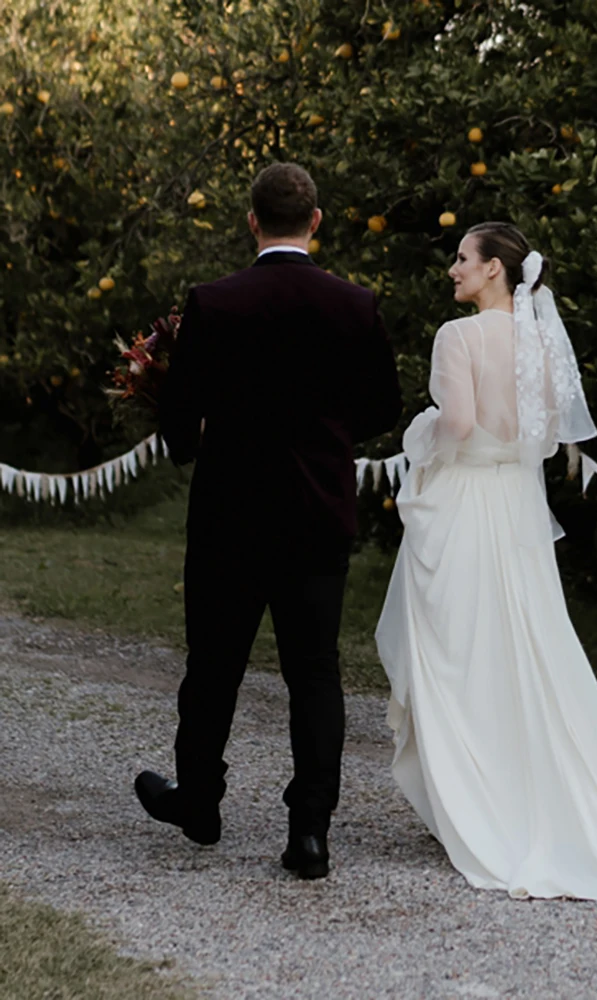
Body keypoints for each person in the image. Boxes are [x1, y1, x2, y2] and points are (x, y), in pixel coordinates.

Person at [375, 222, 597, 902]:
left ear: (492, 272)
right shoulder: (539, 339)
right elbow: (541, 438)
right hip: (514, 503)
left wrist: (419, 433)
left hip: (465, 502)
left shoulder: (459, 337)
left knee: (461, 647)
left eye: (461, 259)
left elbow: (454, 425)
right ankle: (520, 789)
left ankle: (472, 796)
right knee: (524, 644)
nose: (452, 269)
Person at [134, 163, 403, 879]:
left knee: (214, 664)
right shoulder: (355, 305)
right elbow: (383, 408)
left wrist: (194, 439)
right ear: (315, 222)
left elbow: (178, 424)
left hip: (230, 515)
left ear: (252, 221)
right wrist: (327, 438)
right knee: (314, 672)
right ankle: (309, 830)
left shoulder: (215, 304)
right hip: (318, 513)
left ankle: (199, 802)